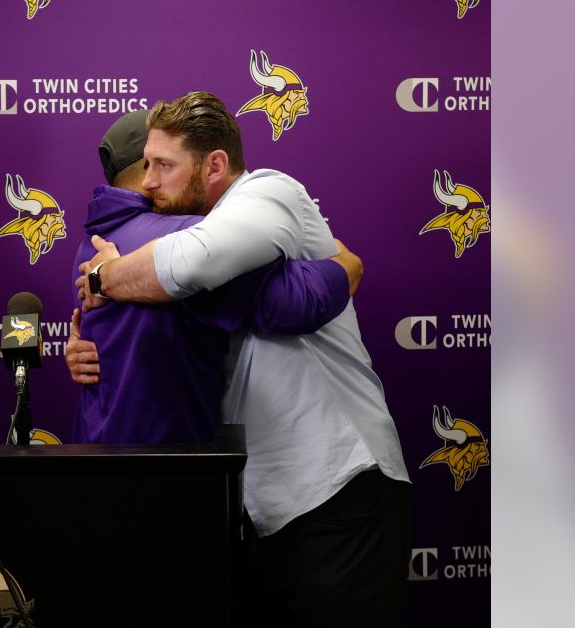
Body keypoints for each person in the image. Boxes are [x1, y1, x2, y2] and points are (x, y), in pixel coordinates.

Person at [73, 93, 411, 627]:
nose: (150, 183)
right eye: (146, 165)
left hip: (337, 486)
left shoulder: (265, 192)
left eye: (164, 166)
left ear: (214, 164)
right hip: (260, 504)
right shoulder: (174, 228)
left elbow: (199, 266)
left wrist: (104, 279)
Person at [67, 109, 363, 445]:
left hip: (93, 455)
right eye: (158, 163)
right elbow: (295, 301)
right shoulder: (183, 234)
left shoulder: (90, 246)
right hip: (170, 465)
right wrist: (344, 265)